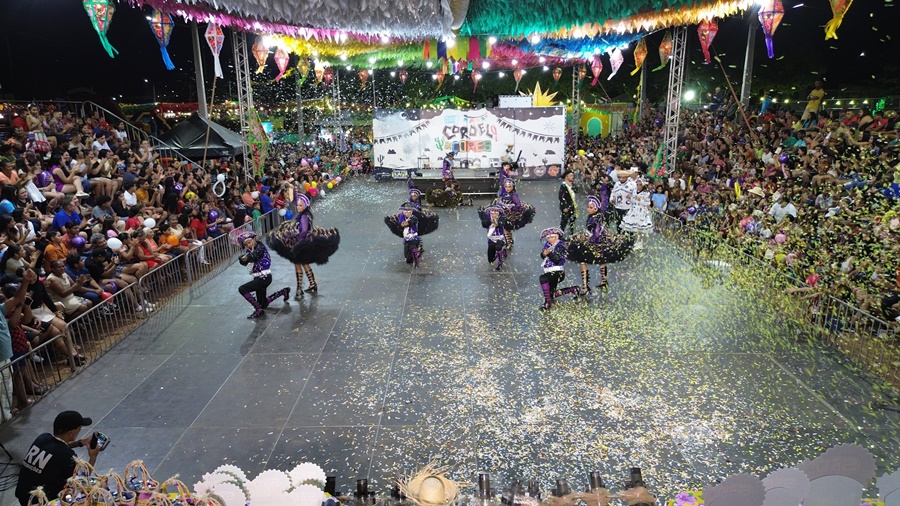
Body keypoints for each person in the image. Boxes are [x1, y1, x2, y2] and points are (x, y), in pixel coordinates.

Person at [15, 410, 101, 505]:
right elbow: (82, 479)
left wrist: (79, 443)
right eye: (79, 428)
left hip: (22, 494)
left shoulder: (43, 438)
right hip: (40, 502)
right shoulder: (66, 456)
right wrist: (93, 457)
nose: (80, 430)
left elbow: (57, 447)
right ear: (71, 432)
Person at [267, 194, 340, 298]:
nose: (298, 207)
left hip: (302, 244)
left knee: (297, 264)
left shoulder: (304, 216)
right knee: (304, 263)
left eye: (300, 205)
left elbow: (304, 230)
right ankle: (312, 284)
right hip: (305, 243)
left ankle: (299, 289)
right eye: (298, 205)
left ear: (305, 206)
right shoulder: (306, 214)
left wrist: (298, 241)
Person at [568, 196, 635, 294]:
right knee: (594, 260)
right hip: (593, 239)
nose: (588, 209)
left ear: (595, 208)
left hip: (596, 240)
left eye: (591, 207)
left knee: (593, 259)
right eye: (588, 207)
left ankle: (590, 285)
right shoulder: (594, 216)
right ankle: (592, 284)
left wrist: (592, 239)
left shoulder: (597, 217)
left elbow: (597, 231)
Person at [1, 269, 37, 421]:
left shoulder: (1, 308)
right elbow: (14, 322)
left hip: (6, 355)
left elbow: (16, 299)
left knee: (7, 388)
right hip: (3, 357)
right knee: (3, 389)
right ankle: (5, 417)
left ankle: (6, 414)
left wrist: (26, 281)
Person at [237, 231, 290, 319]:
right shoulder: (249, 250)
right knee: (263, 303)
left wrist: (245, 258)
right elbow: (245, 262)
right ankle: (283, 292)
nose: (248, 245)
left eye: (249, 242)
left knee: (242, 289)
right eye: (246, 244)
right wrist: (242, 260)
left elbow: (254, 256)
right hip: (258, 278)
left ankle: (258, 310)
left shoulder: (260, 247)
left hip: (264, 278)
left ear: (254, 239)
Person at [537, 227, 580, 310]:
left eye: (552, 237)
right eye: (548, 238)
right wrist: (544, 254)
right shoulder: (547, 245)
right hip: (549, 271)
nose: (550, 239)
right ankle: (573, 289)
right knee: (551, 294)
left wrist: (549, 254)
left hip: (558, 272)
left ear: (556, 237)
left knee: (542, 278)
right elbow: (543, 256)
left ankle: (547, 303)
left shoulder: (561, 246)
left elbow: (557, 260)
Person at [620, 179, 653, 249]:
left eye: (640, 185)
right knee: (634, 227)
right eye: (637, 185)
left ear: (643, 185)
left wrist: (640, 200)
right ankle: (636, 242)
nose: (638, 186)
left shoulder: (646, 193)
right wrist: (630, 198)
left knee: (639, 228)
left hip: (641, 211)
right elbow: (633, 201)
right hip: (634, 210)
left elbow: (647, 203)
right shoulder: (634, 192)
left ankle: (640, 242)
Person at [393, 202, 423, 267]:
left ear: (411, 211)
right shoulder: (402, 216)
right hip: (406, 238)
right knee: (408, 260)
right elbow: (400, 224)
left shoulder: (414, 218)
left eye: (408, 211)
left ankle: (416, 257)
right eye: (405, 211)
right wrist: (401, 224)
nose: (407, 213)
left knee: (413, 248)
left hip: (413, 237)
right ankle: (417, 251)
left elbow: (411, 222)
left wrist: (406, 223)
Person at [483, 206, 509, 271]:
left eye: (495, 213)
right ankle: (502, 252)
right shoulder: (488, 217)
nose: (494, 215)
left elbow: (502, 223)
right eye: (492, 213)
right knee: (490, 259)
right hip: (491, 238)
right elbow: (484, 224)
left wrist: (497, 224)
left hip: (500, 237)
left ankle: (500, 263)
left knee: (498, 247)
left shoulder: (501, 218)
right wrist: (490, 222)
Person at [558, 170, 577, 235]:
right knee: (564, 222)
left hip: (572, 206)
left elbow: (576, 191)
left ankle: (571, 234)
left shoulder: (572, 185)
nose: (572, 177)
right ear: (566, 177)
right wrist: (564, 207)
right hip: (566, 207)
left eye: (572, 175)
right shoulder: (563, 186)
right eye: (571, 176)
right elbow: (561, 197)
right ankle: (560, 235)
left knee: (572, 221)